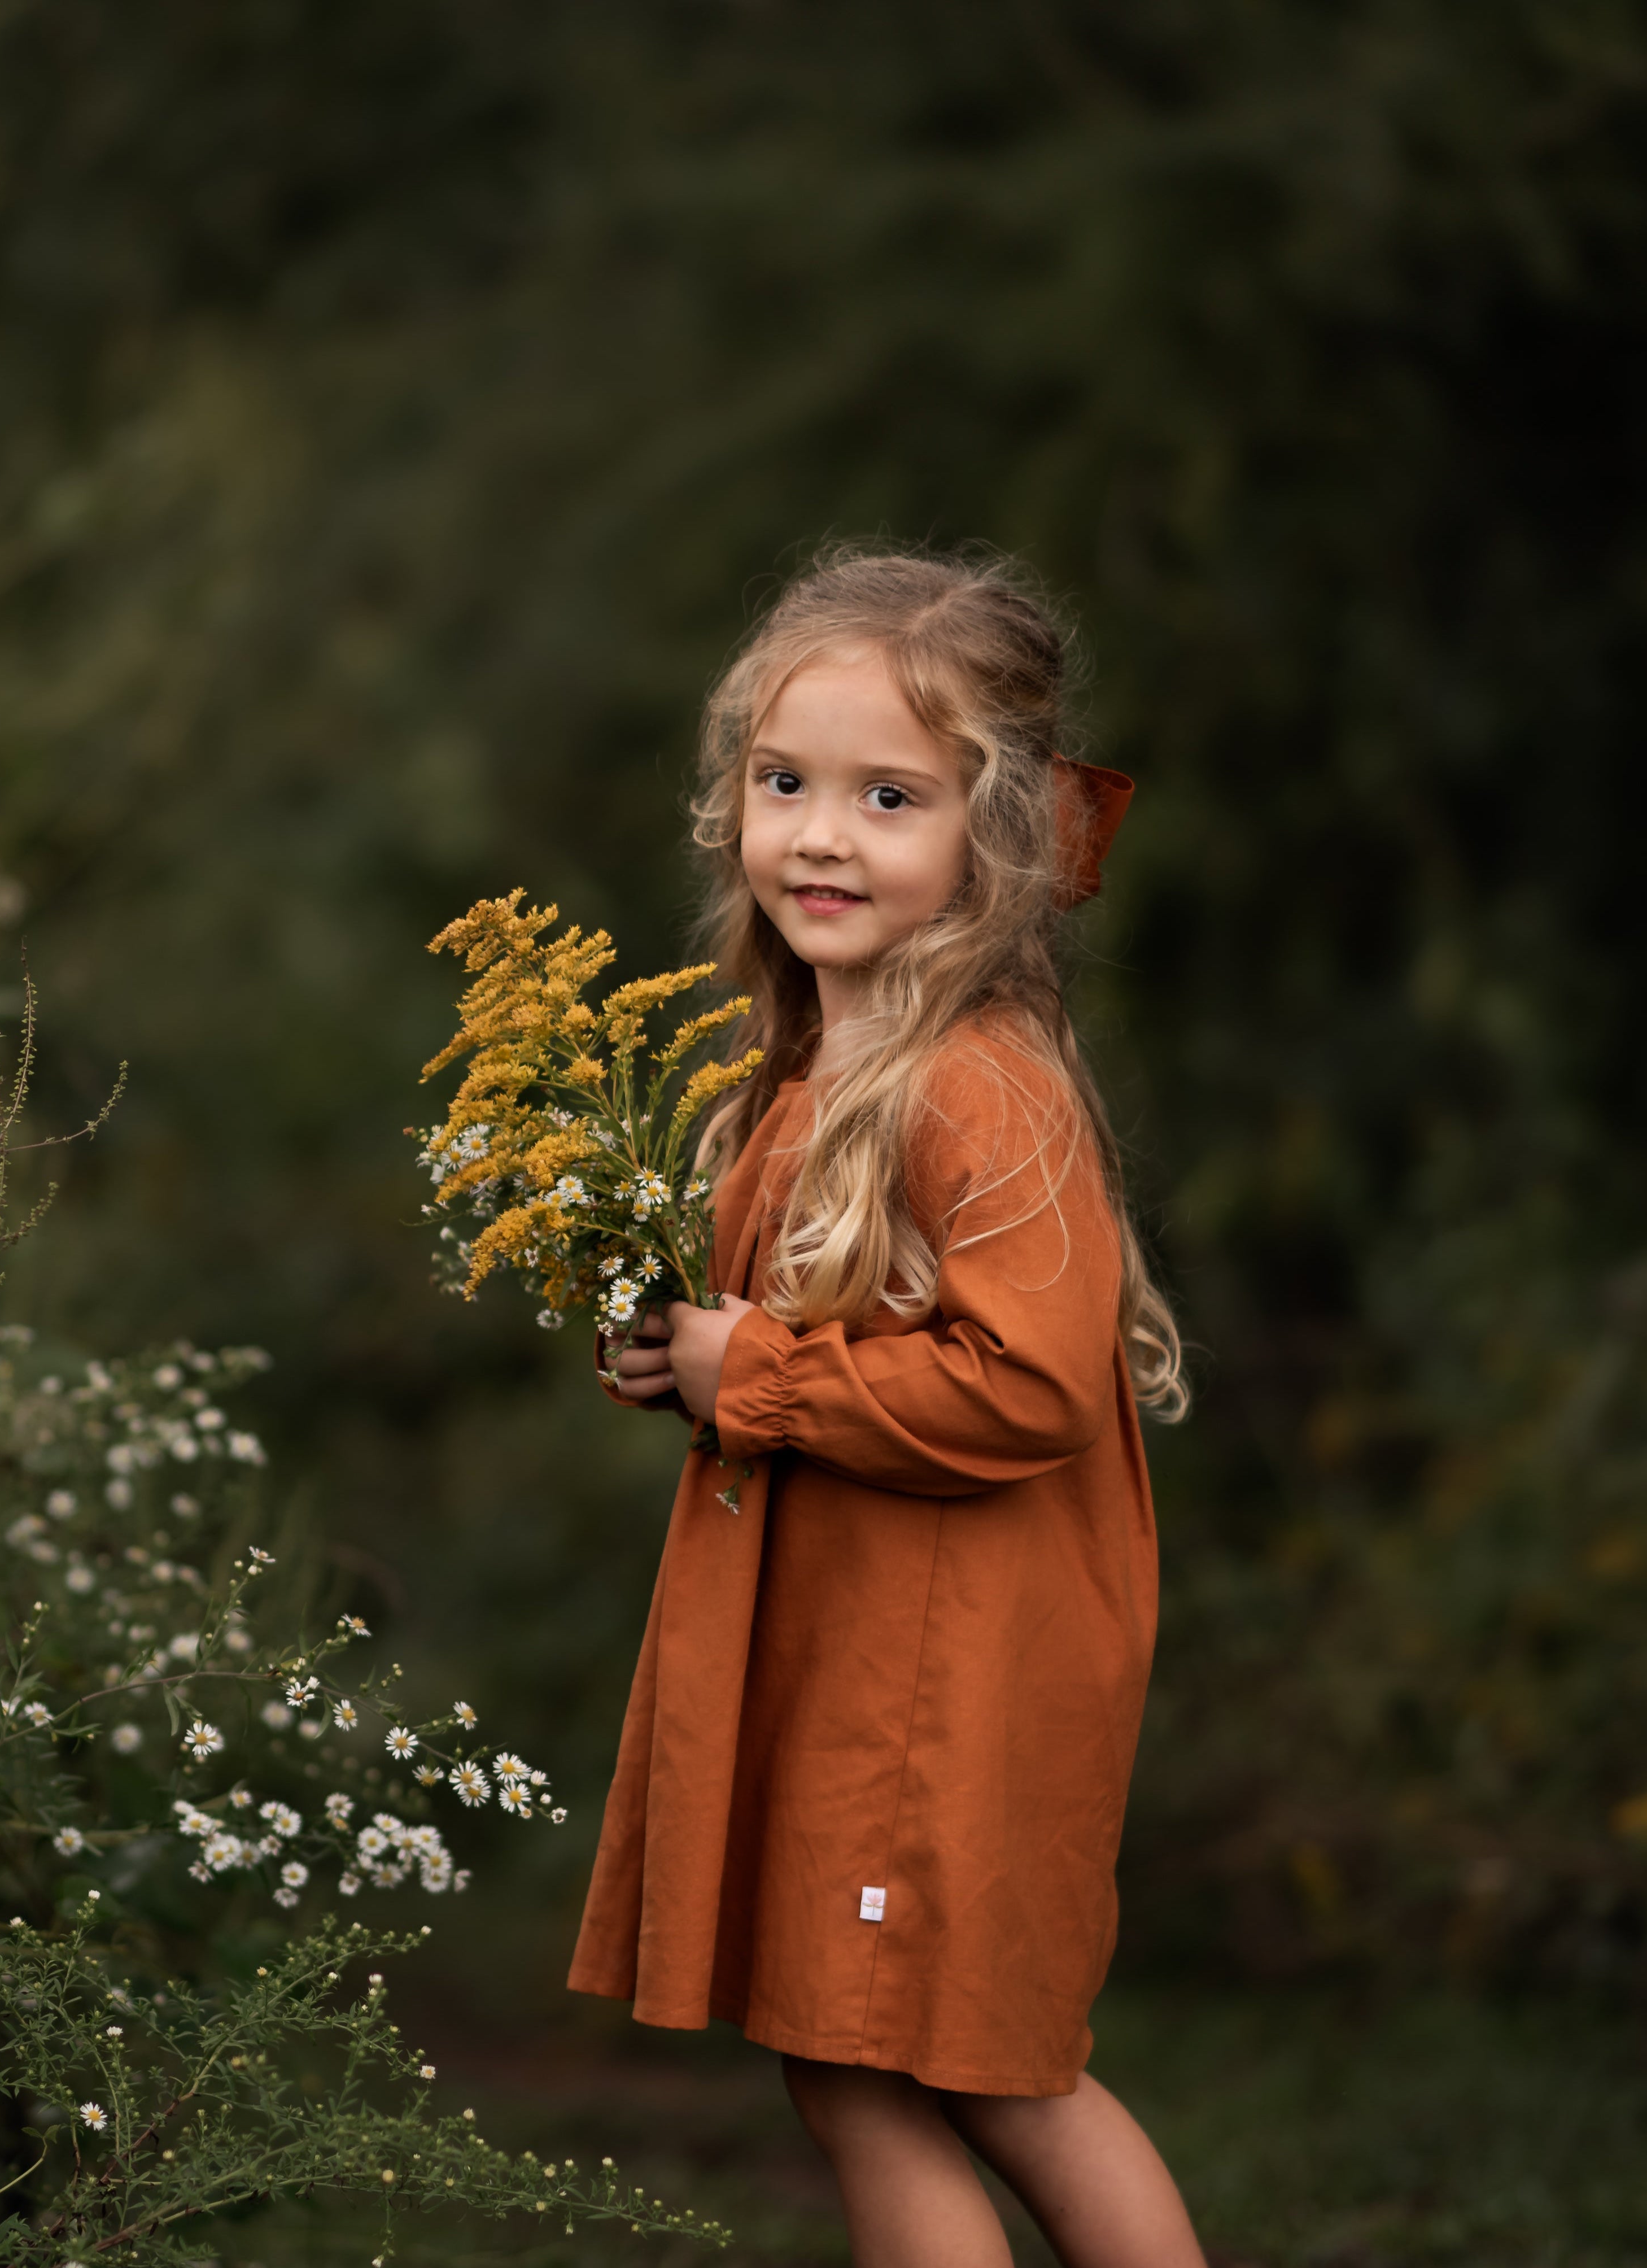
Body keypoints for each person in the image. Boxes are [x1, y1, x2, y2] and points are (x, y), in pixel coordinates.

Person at [568, 548, 1205, 2268]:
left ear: (993, 838)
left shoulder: (972, 1084)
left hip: (948, 1680)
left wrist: (761, 1376)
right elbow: (825, 1349)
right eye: (786, 784)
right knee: (892, 2067)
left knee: (955, 2074)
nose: (821, 838)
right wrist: (689, 1356)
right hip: (866, 1659)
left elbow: (1033, 1385)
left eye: (889, 798)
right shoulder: (814, 1060)